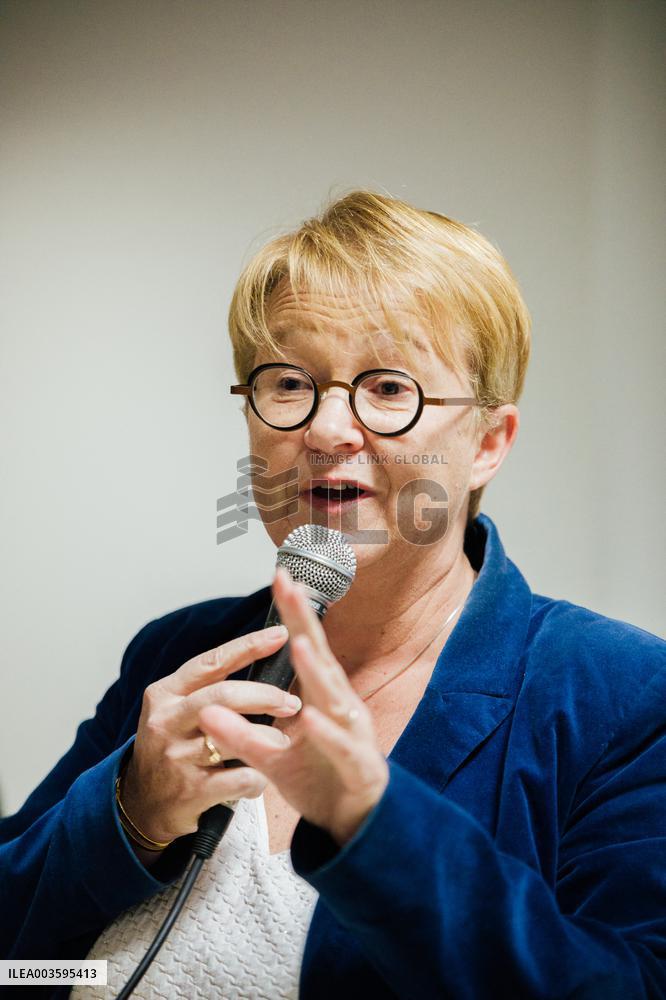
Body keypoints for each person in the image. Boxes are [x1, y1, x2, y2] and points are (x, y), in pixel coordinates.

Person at [1, 191, 664, 1000]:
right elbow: (16, 967)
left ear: (489, 443)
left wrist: (372, 823)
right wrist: (129, 818)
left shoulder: (620, 695)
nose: (325, 430)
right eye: (288, 383)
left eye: (389, 388)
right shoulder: (175, 653)